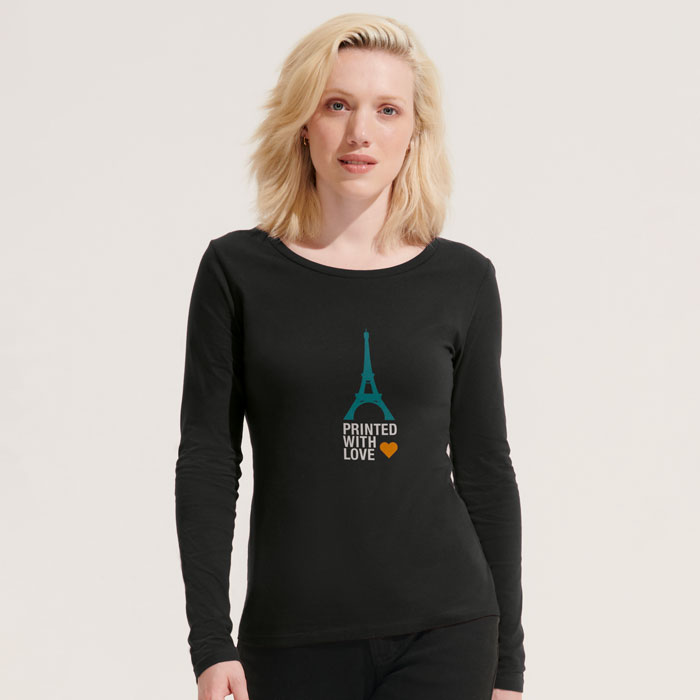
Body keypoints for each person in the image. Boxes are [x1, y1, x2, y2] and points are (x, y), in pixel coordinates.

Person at [175, 12, 526, 700]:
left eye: (387, 109)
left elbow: (486, 469)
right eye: (337, 104)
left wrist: (507, 666)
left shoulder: (463, 279)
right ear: (303, 123)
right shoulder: (236, 271)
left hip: (448, 630)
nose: (361, 132)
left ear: (414, 132)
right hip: (289, 641)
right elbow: (209, 461)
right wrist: (210, 642)